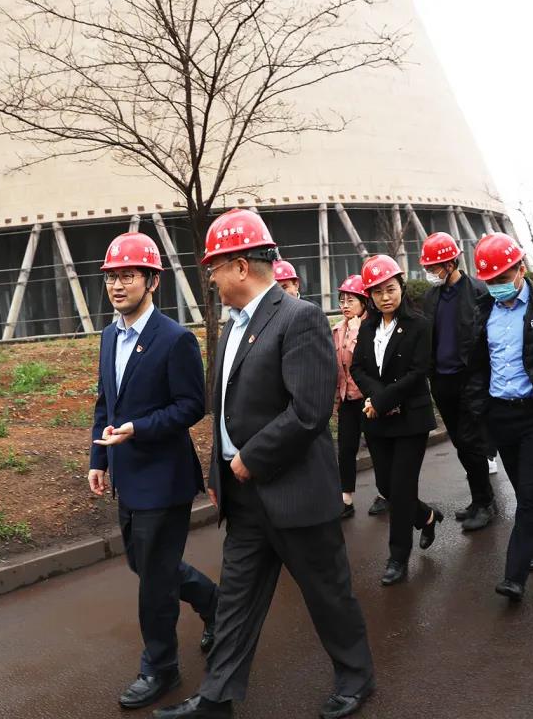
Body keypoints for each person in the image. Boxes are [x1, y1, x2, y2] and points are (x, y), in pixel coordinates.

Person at [156, 209, 375, 719]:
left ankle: (356, 678)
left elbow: (309, 409)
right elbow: (224, 410)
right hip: (244, 496)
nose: (210, 280)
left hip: (295, 492)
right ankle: (217, 698)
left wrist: (250, 459)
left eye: (214, 268)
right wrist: (220, 472)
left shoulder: (299, 318)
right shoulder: (232, 327)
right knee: (236, 600)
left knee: (327, 594)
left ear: (240, 266)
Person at [88, 232, 219, 710]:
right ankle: (215, 603)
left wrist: (138, 429)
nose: (118, 285)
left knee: (155, 582)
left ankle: (160, 668)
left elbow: (192, 406)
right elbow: (105, 402)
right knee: (144, 565)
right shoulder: (109, 336)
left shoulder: (174, 339)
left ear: (152, 281)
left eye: (128, 275)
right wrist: (99, 459)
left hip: (164, 480)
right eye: (112, 277)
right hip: (127, 475)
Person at [467, 233, 533, 601]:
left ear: (521, 269)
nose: (497, 286)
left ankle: (515, 574)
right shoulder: (483, 308)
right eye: (490, 280)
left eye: (503, 278)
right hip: (500, 414)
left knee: (529, 496)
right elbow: (477, 364)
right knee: (528, 490)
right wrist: (479, 407)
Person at [351, 254, 443, 586]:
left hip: (410, 419)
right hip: (377, 420)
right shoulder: (368, 326)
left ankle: (398, 557)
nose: (385, 297)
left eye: (390, 289)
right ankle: (427, 516)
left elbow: (419, 372)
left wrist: (382, 399)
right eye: (377, 292)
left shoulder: (419, 324)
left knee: (402, 487)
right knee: (388, 487)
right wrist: (377, 399)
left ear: (401, 287)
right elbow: (358, 367)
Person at [417, 232, 496, 531]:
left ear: (450, 264)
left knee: (472, 443)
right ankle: (479, 499)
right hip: (442, 381)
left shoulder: (478, 291)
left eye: (433, 267)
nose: (429, 273)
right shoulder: (431, 297)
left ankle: (485, 502)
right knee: (461, 444)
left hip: (470, 380)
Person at [333, 274, 370, 519]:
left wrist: (356, 331)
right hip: (347, 398)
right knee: (346, 448)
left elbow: (363, 359)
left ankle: (386, 494)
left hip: (368, 398)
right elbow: (336, 368)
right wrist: (336, 399)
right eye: (342, 300)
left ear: (363, 302)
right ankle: (346, 497)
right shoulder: (337, 329)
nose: (345, 305)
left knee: (377, 447)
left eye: (351, 300)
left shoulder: (370, 327)